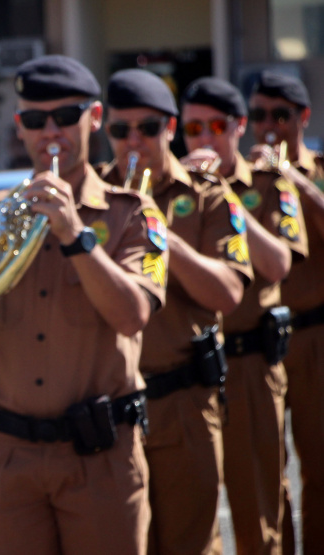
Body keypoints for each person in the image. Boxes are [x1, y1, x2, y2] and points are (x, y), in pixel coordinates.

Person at [0, 55, 167, 555]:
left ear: (94, 118)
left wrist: (76, 235)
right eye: (35, 120)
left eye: (65, 116)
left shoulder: (136, 213)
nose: (49, 131)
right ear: (20, 127)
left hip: (98, 456)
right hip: (10, 458)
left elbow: (133, 314)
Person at [99, 70, 253, 555]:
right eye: (120, 130)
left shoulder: (208, 196)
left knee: (191, 544)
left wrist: (158, 231)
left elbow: (229, 293)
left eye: (146, 128)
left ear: (169, 128)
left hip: (184, 401)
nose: (133, 141)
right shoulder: (93, 197)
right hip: (113, 408)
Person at [181, 76, 308, 555]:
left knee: (260, 511)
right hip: (191, 371)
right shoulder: (175, 189)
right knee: (192, 518)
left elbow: (277, 263)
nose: (205, 139)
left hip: (251, 365)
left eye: (215, 126)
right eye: (193, 130)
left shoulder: (267, 183)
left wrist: (221, 195)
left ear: (237, 128)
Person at [247, 70, 324, 554]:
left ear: (303, 117)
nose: (268, 126)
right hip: (262, 342)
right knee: (264, 472)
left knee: (320, 468)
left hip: (316, 335)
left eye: (281, 115)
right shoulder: (244, 176)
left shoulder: (318, 169)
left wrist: (296, 180)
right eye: (258, 116)